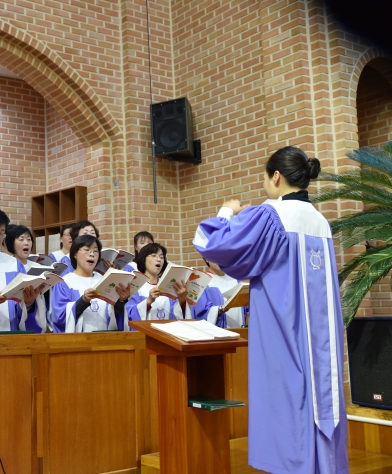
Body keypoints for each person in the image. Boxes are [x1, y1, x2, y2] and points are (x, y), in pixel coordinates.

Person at [193, 146, 347, 473]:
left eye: (264, 178)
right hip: (319, 338)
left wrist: (228, 210)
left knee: (286, 396)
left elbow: (213, 245)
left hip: (282, 327)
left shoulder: (271, 215)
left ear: (276, 177)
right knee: (317, 394)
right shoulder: (320, 221)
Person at [51, 235, 130, 333]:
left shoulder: (104, 280)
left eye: (95, 251)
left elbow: (113, 316)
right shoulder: (64, 282)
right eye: (87, 250)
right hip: (79, 340)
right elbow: (60, 318)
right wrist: (83, 301)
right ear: (75, 254)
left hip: (105, 338)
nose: (92, 254)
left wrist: (121, 301)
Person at [125, 243, 189, 325]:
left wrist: (182, 300)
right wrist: (148, 302)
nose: (159, 259)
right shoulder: (135, 285)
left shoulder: (168, 286)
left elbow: (176, 315)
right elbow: (128, 314)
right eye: (154, 255)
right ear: (143, 259)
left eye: (161, 257)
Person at [4, 225, 48, 332]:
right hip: (11, 316)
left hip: (36, 312)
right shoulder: (6, 267)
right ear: (11, 243)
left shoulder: (38, 267)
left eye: (29, 239)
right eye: (21, 239)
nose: (26, 243)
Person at [193, 259, 246, 328]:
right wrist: (221, 309)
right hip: (218, 330)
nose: (219, 259)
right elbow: (201, 313)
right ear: (207, 259)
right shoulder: (201, 281)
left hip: (240, 329)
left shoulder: (236, 280)